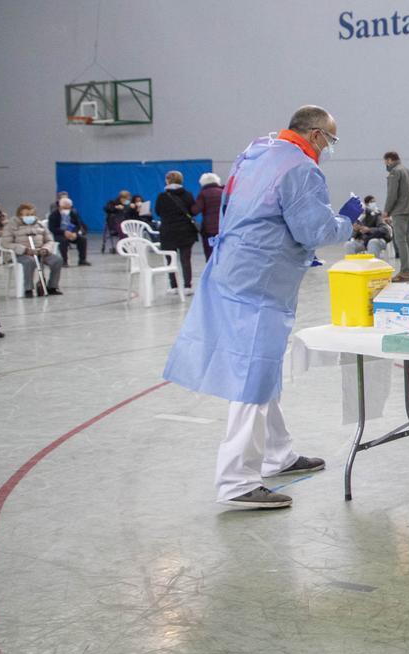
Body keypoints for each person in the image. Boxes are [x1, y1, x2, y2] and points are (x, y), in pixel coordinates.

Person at [163, 105, 362, 509]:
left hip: (234, 268)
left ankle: (277, 454)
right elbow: (313, 229)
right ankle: (236, 480)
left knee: (263, 367)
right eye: (331, 140)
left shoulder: (257, 152)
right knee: (253, 375)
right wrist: (347, 221)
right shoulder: (301, 168)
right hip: (259, 280)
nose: (329, 148)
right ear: (317, 134)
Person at [0, 203, 63, 297]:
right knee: (30, 261)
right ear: (20, 215)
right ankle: (28, 288)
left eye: (32, 214)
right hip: (20, 254)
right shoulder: (11, 225)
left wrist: (45, 248)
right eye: (27, 215)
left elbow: (49, 240)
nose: (30, 217)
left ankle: (52, 287)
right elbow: (6, 243)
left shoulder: (40, 224)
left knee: (57, 260)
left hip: (39, 251)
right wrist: (24, 250)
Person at [154, 171, 198, 294]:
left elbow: (157, 212)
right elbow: (193, 210)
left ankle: (173, 286)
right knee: (185, 259)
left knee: (170, 259)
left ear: (168, 180)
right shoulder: (187, 195)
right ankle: (187, 286)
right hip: (186, 231)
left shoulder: (162, 196)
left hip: (168, 231)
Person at [383, 151, 409, 282]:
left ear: (390, 160)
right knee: (407, 240)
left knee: (400, 241)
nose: (385, 165)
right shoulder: (408, 171)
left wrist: (386, 211)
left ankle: (404, 271)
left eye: (385, 162)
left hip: (400, 211)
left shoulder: (395, 172)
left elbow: (392, 194)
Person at [48, 197, 90, 266]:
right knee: (63, 241)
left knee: (82, 240)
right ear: (60, 207)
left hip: (71, 233)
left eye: (68, 208)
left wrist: (75, 233)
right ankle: (64, 261)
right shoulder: (53, 215)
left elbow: (78, 225)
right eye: (65, 208)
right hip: (59, 233)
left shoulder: (73, 213)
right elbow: (52, 228)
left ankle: (82, 260)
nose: (67, 210)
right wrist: (64, 232)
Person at [193, 173, 224, 261]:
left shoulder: (203, 194)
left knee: (209, 252)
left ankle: (210, 271)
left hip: (208, 228)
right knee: (222, 252)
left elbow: (195, 210)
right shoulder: (222, 192)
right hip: (223, 226)